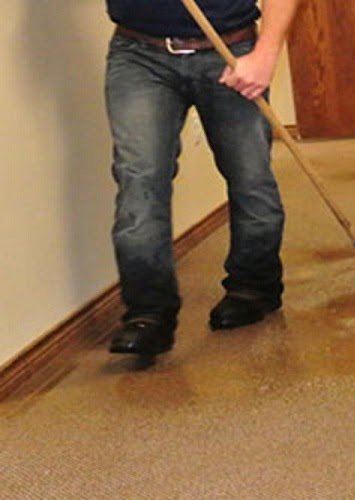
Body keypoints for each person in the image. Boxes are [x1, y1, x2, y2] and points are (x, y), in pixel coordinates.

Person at [104, 0, 300, 356]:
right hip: (139, 55)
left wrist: (266, 52)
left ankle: (253, 287)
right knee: (139, 179)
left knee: (250, 176)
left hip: (230, 48)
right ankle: (148, 313)